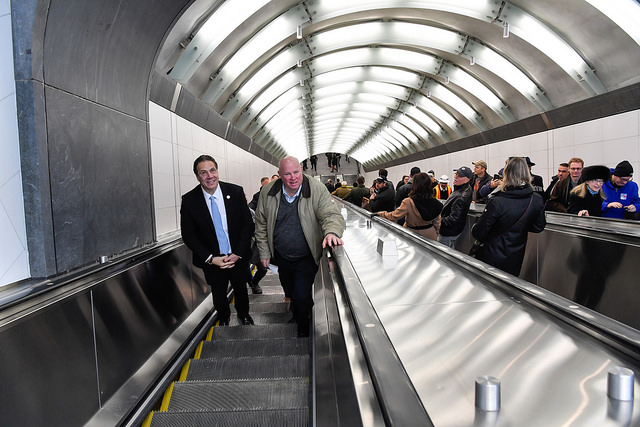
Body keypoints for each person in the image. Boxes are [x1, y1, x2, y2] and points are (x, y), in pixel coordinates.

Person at [254, 156, 345, 337]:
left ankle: (303, 330)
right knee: (290, 291)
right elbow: (261, 224)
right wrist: (264, 252)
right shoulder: (269, 192)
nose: (293, 177)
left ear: (302, 169)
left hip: (307, 256)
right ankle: (297, 316)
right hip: (281, 255)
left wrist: (331, 232)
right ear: (279, 175)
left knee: (302, 295)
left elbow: (331, 214)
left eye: (296, 172)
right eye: (287, 174)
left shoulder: (316, 188)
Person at [180, 155, 255, 326]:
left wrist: (238, 253)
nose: (209, 176)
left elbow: (247, 225)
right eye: (203, 173)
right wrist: (211, 259)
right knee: (219, 294)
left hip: (237, 256)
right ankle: (224, 318)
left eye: (212, 170)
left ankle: (244, 315)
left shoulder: (235, 192)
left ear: (217, 171)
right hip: (213, 260)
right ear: (198, 177)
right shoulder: (190, 200)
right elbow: (189, 235)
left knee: (241, 289)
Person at [471, 157, 546, 276]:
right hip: (516, 256)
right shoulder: (535, 199)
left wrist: (475, 227)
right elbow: (538, 226)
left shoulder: (497, 201)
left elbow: (479, 233)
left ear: (506, 173)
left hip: (491, 255)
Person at [377, 173, 443, 240]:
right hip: (430, 235)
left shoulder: (409, 202)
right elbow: (437, 223)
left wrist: (380, 214)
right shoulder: (436, 203)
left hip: (412, 235)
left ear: (415, 185)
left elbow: (394, 216)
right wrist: (435, 233)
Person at [438, 166, 473, 248]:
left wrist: (438, 220)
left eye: (459, 176)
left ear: (467, 179)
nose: (455, 177)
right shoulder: (463, 188)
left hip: (448, 232)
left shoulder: (461, 196)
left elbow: (453, 219)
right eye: (456, 174)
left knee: (443, 254)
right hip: (454, 230)